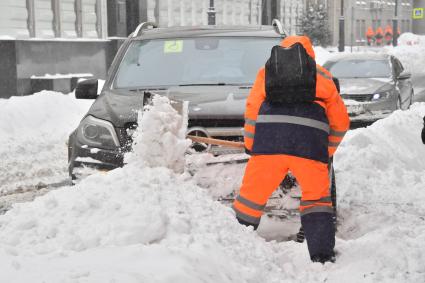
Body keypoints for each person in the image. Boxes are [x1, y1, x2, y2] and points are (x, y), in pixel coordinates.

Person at [232, 35, 350, 263]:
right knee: (317, 200)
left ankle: (232, 245)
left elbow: (253, 110)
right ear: (310, 54)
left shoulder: (266, 74)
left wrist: (252, 145)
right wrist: (325, 152)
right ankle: (322, 257)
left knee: (250, 198)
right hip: (309, 146)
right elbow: (341, 122)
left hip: (270, 144)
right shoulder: (322, 76)